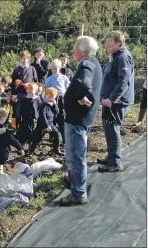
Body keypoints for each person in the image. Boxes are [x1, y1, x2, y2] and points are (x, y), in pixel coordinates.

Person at [57, 35, 101, 206]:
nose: (72, 50)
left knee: (77, 156)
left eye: (74, 47)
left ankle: (78, 194)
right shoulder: (94, 62)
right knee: (75, 155)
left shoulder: (87, 64)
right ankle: (75, 182)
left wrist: (82, 95)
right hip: (80, 118)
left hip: (78, 120)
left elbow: (84, 82)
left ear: (83, 50)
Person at [97, 31, 135, 173]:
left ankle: (115, 163)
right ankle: (111, 157)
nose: (107, 44)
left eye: (110, 41)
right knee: (109, 129)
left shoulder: (123, 58)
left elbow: (123, 82)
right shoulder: (115, 57)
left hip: (116, 102)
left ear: (119, 43)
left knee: (113, 130)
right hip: (109, 101)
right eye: (106, 41)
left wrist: (112, 99)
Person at [0, 108, 24, 177]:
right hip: (0, 153)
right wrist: (20, 148)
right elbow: (13, 141)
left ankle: (0, 170)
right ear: (3, 118)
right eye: (6, 118)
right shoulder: (4, 132)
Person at [28, 87, 64, 156]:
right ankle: (31, 152)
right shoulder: (43, 105)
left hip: (51, 123)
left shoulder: (52, 104)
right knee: (37, 139)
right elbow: (42, 116)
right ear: (45, 95)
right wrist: (47, 126)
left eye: (52, 98)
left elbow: (56, 112)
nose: (51, 99)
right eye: (49, 97)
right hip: (42, 125)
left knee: (57, 135)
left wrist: (55, 104)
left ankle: (56, 149)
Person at [10, 50, 38, 127]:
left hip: (29, 95)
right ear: (20, 59)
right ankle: (13, 127)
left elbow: (36, 82)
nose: (24, 60)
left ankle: (26, 128)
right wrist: (14, 94)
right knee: (16, 113)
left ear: (28, 59)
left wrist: (35, 92)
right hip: (19, 94)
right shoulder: (16, 69)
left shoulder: (32, 69)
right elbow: (12, 84)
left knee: (27, 113)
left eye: (26, 58)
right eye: (22, 58)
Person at [45, 59, 71, 144]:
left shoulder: (64, 77)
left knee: (62, 119)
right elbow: (47, 90)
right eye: (52, 68)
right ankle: (52, 137)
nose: (54, 70)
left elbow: (68, 88)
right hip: (52, 100)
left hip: (62, 100)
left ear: (59, 68)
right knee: (52, 118)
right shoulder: (49, 79)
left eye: (56, 68)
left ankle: (64, 138)